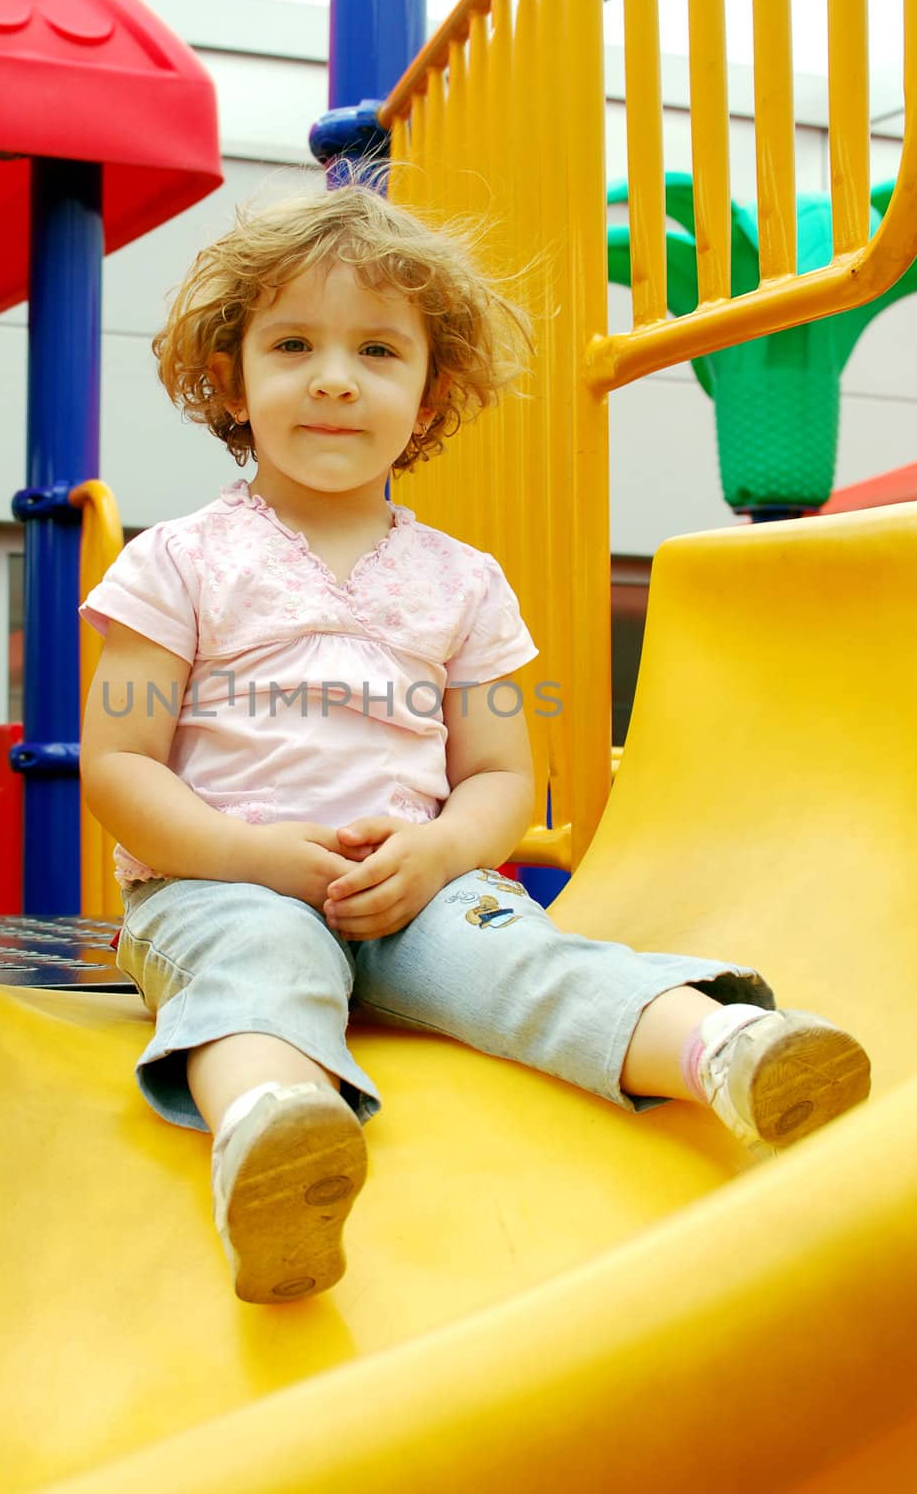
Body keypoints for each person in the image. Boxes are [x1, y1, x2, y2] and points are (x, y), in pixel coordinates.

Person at [78, 184, 870, 1305]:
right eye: (293, 343)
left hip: (418, 890)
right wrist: (250, 856)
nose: (336, 376)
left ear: (429, 391)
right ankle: (271, 1137)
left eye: (378, 350)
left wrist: (440, 857)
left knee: (522, 960)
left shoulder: (463, 581)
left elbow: (502, 778)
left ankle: (728, 1053)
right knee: (257, 967)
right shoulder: (180, 564)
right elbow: (119, 762)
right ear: (230, 378)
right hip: (218, 883)